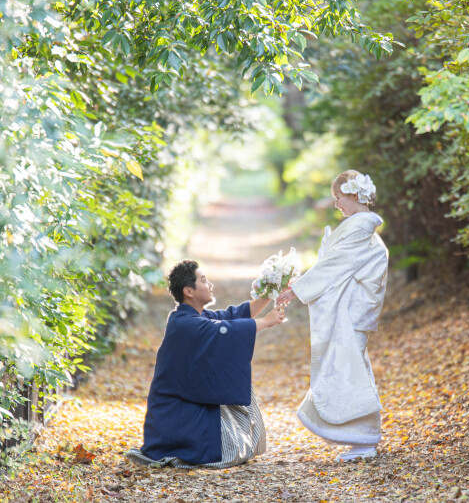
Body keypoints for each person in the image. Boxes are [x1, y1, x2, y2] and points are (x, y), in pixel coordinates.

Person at [124, 259, 286, 468]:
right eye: (203, 280)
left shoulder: (194, 317)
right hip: (176, 415)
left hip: (187, 404)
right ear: (188, 291)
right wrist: (265, 322)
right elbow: (222, 330)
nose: (210, 285)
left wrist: (270, 293)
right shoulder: (184, 323)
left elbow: (232, 316)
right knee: (230, 450)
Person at [276, 170, 388, 462]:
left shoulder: (359, 228)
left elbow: (335, 266)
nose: (336, 203)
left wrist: (296, 291)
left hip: (352, 310)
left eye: (338, 197)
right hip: (353, 309)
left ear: (353, 195)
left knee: (350, 368)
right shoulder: (359, 226)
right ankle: (362, 436)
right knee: (351, 367)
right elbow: (335, 264)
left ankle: (364, 439)